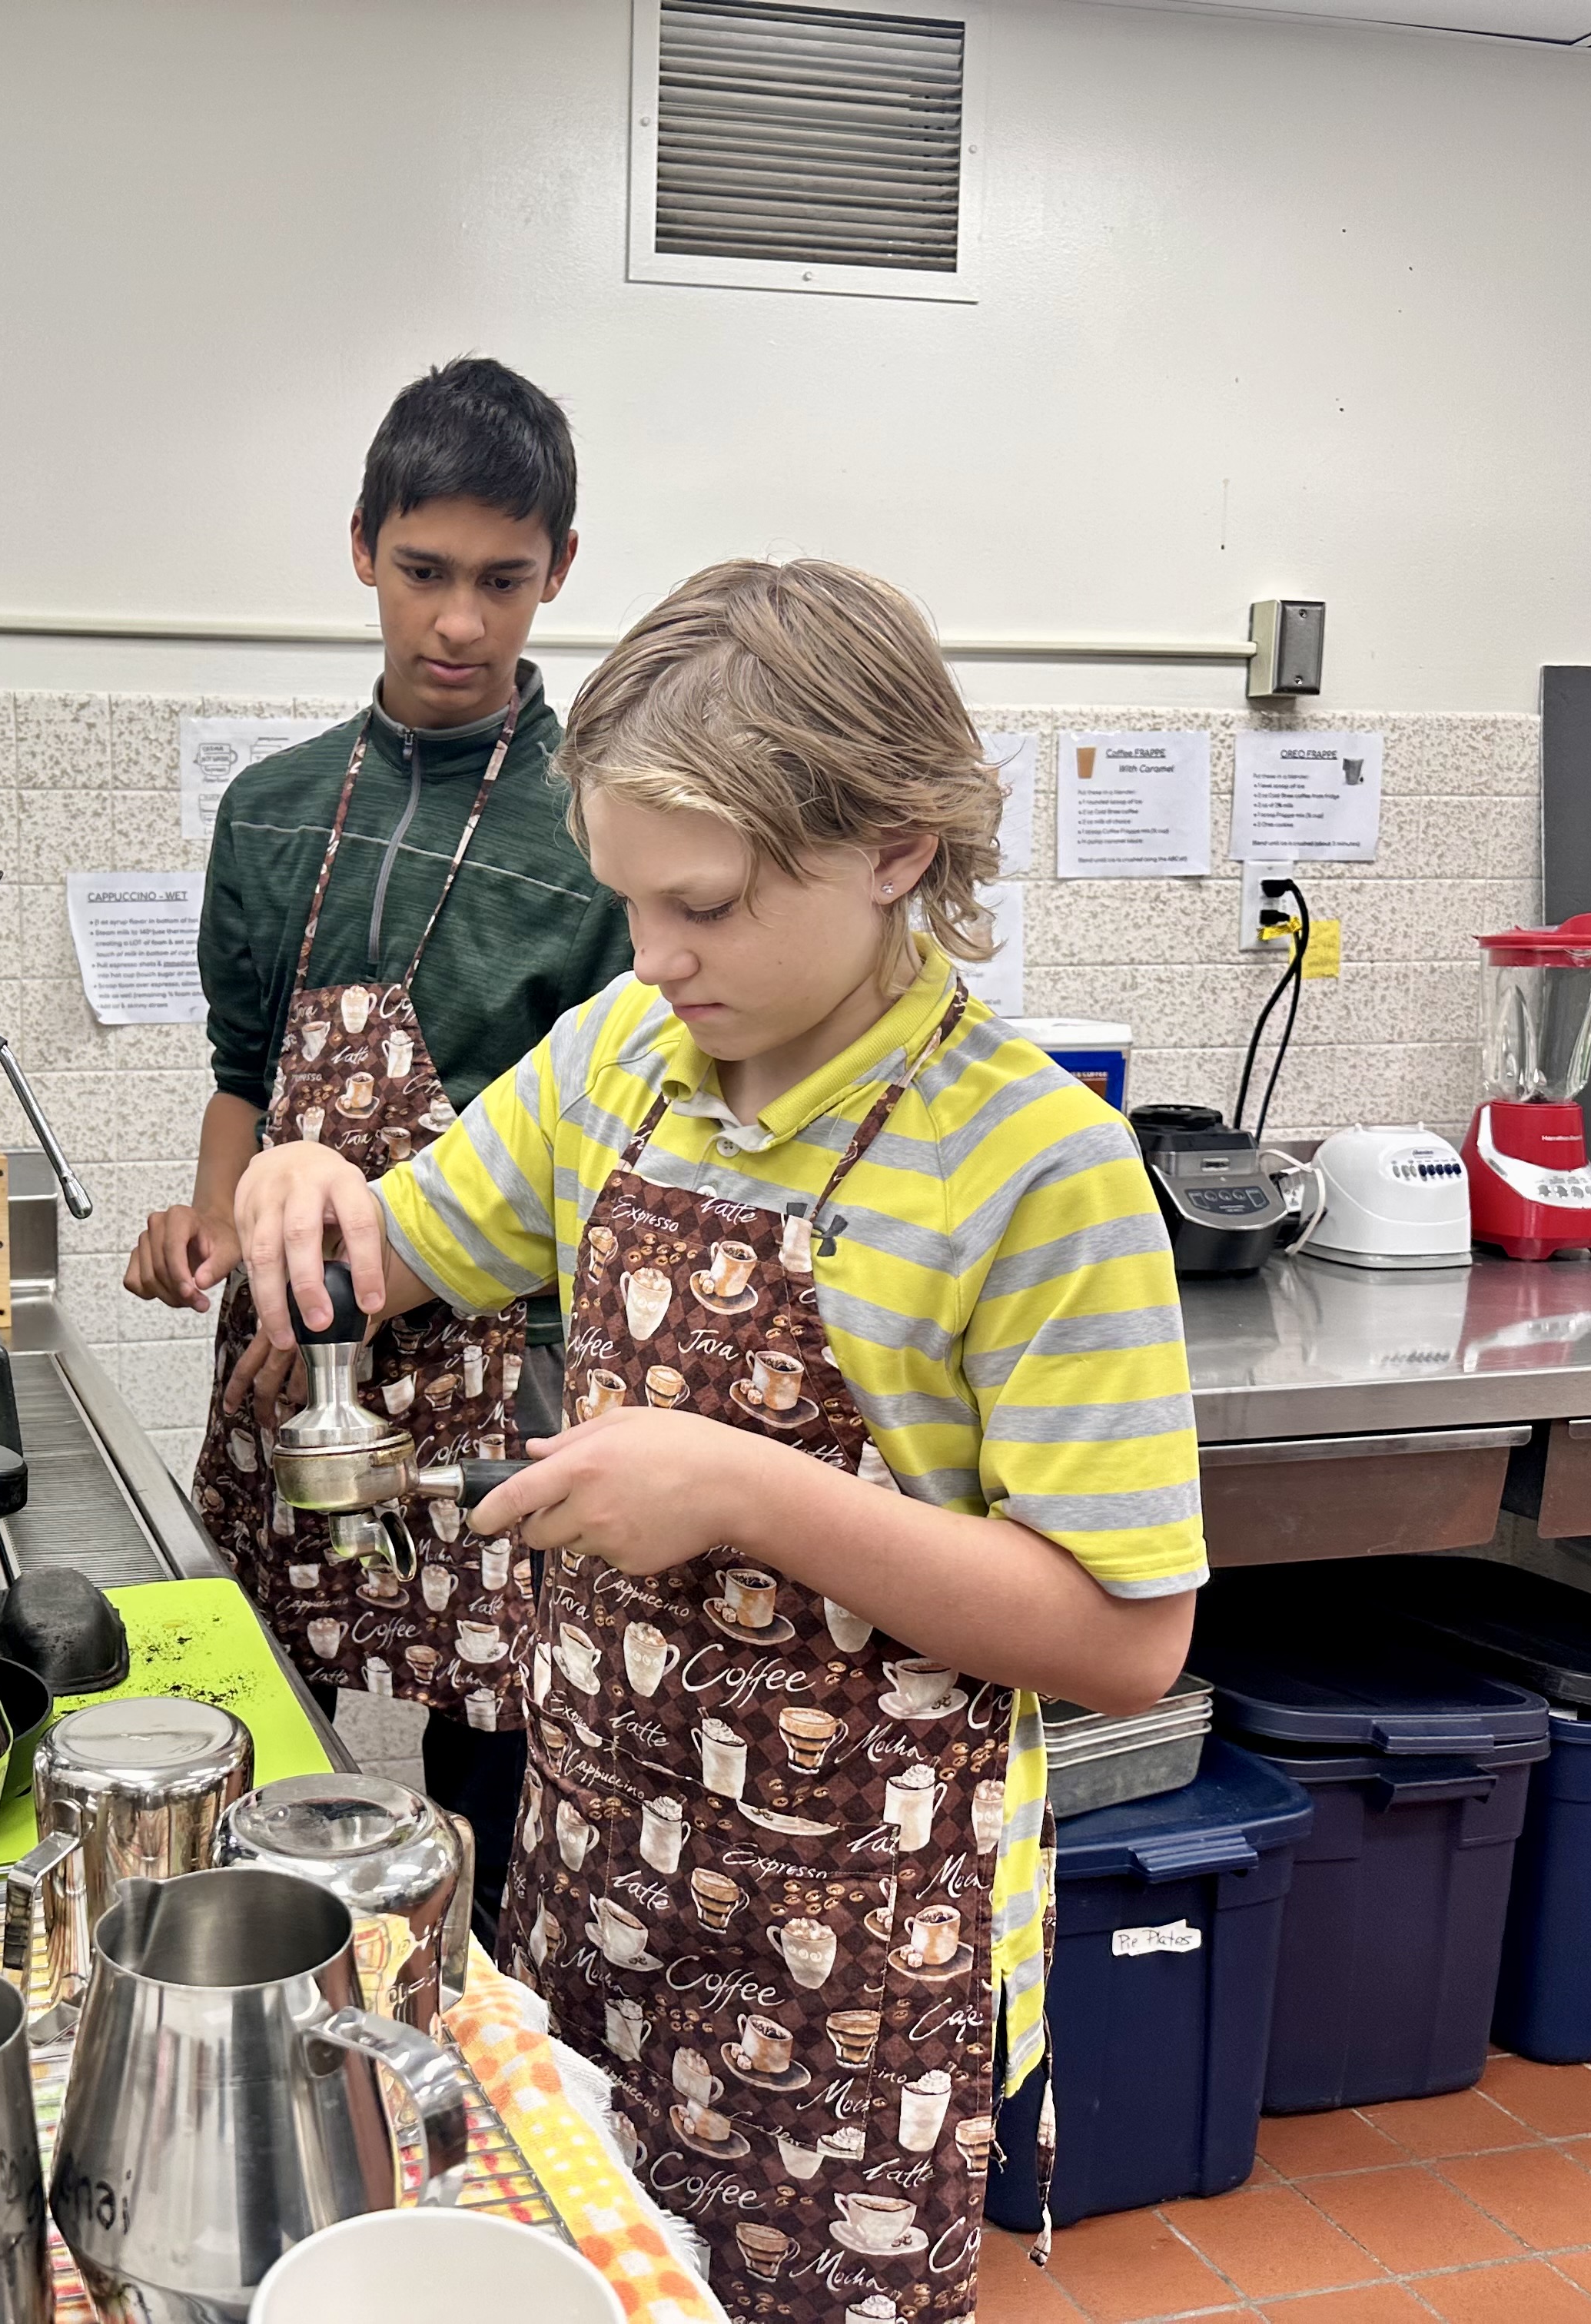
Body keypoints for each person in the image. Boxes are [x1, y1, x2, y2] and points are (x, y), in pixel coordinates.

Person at [224, 559, 1203, 2318]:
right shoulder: (625, 1056)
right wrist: (313, 1191)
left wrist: (744, 1490)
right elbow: (407, 1247)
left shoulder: (1039, 1174)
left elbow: (1124, 1638)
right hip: (592, 1889)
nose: (654, 955)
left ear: (896, 844)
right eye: (627, 901)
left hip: (858, 1987)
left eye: (709, 906)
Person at [123, 357, 629, 1937]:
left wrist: (362, 1280)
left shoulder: (596, 830)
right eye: (425, 574)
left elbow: (595, 1162)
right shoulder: (274, 812)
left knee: (496, 1719)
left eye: (504, 579)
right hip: (283, 1339)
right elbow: (242, 1074)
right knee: (273, 1684)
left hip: (496, 1348)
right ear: (362, 548)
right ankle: (290, 1956)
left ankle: (473, 2009)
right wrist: (209, 1225)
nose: (462, 623)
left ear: (562, 569)